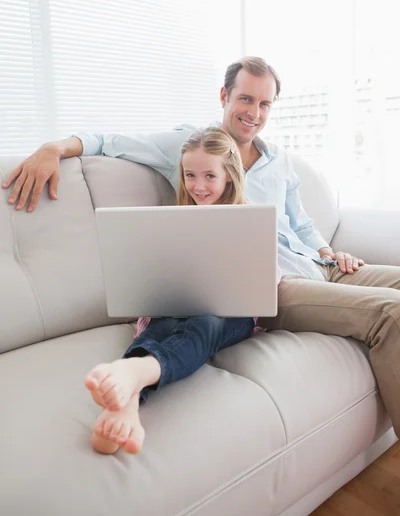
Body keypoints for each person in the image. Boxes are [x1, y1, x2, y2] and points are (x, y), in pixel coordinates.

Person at [2, 56, 400, 438]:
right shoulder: (189, 144)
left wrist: (330, 253)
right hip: (275, 282)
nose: (255, 113)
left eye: (265, 103)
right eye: (245, 98)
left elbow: (302, 223)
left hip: (316, 263)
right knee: (391, 314)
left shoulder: (278, 158)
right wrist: (51, 149)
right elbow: (107, 141)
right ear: (224, 96)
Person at [83, 126, 279, 455]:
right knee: (160, 327)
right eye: (190, 175)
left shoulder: (248, 218)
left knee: (204, 323)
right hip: (175, 308)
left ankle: (134, 371)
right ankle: (125, 408)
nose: (198, 186)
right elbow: (155, 277)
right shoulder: (174, 220)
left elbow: (269, 275)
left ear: (229, 175)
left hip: (229, 316)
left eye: (209, 176)